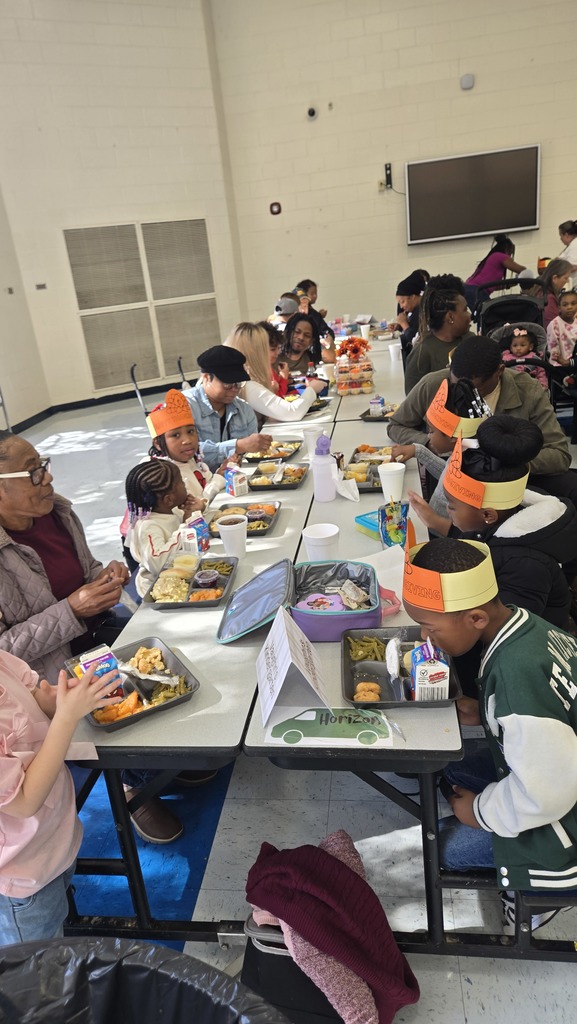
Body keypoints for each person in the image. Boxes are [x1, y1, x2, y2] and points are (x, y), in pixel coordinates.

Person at [403, 537, 577, 933]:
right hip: (558, 764)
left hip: (564, 819)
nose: (427, 639)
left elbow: (547, 794)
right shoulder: (524, 625)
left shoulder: (517, 674)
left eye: (431, 628)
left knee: (440, 846)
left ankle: (540, 898)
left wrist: (479, 812)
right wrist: (484, 713)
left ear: (476, 618)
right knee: (454, 767)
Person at [409, 417, 576, 629]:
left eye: (452, 506)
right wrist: (435, 522)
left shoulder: (526, 566)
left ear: (488, 514)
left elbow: (503, 629)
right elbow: (476, 537)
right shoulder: (504, 515)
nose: (448, 511)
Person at [0, 651, 121, 943]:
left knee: (56, 921)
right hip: (23, 876)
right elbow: (24, 800)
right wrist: (67, 716)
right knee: (35, 963)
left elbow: (33, 695)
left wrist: (61, 697)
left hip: (55, 839)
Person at [0, 431, 130, 684]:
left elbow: (87, 569)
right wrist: (72, 611)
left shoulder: (59, 514)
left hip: (101, 639)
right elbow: (4, 653)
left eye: (42, 465)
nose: (48, 477)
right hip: (52, 683)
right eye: (33, 472)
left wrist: (104, 577)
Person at [388, 336, 574, 493]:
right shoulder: (433, 384)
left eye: (475, 389)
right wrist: (430, 443)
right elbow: (396, 425)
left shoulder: (528, 390)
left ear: (499, 372)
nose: (464, 394)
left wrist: (501, 462)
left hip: (512, 483)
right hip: (454, 479)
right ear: (449, 368)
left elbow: (559, 455)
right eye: (457, 386)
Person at [182, 346, 273, 471]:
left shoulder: (243, 410)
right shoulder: (185, 406)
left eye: (238, 383)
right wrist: (237, 446)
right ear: (206, 377)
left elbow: (252, 455)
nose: (234, 389)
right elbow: (186, 451)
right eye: (228, 384)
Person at [125, 460, 201, 599]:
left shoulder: (172, 511)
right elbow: (157, 563)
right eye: (181, 482)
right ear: (168, 499)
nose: (185, 483)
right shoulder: (149, 526)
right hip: (160, 590)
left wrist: (198, 508)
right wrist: (185, 526)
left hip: (180, 577)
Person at [147, 388, 229, 511]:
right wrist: (217, 481)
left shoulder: (194, 461)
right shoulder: (162, 476)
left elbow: (206, 486)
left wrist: (219, 474)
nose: (187, 440)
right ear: (158, 444)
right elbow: (187, 511)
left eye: (190, 431)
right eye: (176, 435)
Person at [224, 322, 326, 422]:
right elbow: (291, 412)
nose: (276, 353)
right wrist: (312, 389)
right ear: (255, 352)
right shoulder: (247, 385)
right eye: (267, 349)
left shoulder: (245, 381)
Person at [403, 274, 475, 394]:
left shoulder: (471, 340)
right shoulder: (422, 352)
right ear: (450, 317)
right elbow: (414, 398)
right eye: (465, 310)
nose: (470, 315)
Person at [464, 234, 526, 311]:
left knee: (484, 314)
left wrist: (511, 284)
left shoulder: (492, 256)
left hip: (470, 289)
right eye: (510, 253)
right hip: (476, 290)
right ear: (507, 249)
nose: (510, 256)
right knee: (489, 313)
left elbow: (494, 286)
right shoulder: (500, 256)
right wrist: (524, 275)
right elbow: (522, 270)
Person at [389, 270, 426, 366]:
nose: (401, 307)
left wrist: (404, 324)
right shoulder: (413, 309)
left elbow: (416, 340)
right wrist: (399, 326)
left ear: (413, 297)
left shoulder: (423, 310)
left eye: (402, 302)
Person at [532, 258, 573, 331]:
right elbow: (552, 327)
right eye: (565, 278)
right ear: (555, 278)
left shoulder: (540, 293)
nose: (567, 281)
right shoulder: (548, 299)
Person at [546, 289, 577, 386]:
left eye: (573, 304)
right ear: (559, 307)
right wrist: (563, 361)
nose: (570, 307)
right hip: (560, 365)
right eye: (565, 305)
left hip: (574, 362)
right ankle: (568, 380)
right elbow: (553, 350)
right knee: (555, 371)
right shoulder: (554, 324)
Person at [258, 321, 290, 396]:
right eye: (272, 349)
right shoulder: (263, 372)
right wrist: (284, 378)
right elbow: (279, 396)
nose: (277, 353)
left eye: (278, 348)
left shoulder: (268, 367)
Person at [558, 219, 577, 289]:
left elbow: (574, 266)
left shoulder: (574, 246)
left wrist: (558, 269)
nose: (560, 239)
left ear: (566, 235)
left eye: (561, 236)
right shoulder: (572, 245)